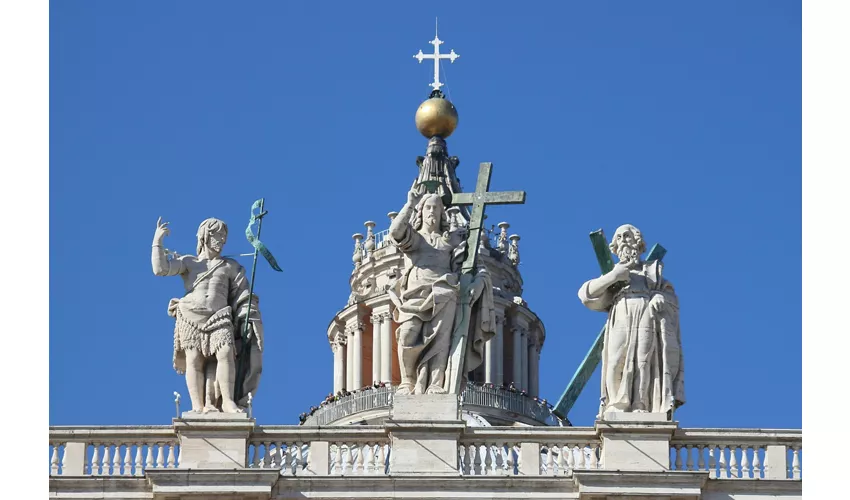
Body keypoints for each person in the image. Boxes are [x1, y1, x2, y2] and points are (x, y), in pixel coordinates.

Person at [388, 182, 495, 395]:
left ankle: (436, 382)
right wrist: (410, 203)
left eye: (436, 208)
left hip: (445, 293)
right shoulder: (415, 239)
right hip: (414, 295)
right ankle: (408, 381)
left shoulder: (450, 241)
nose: (432, 212)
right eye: (428, 207)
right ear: (420, 211)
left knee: (442, 342)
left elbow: (469, 267)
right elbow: (396, 231)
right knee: (407, 335)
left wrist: (476, 283)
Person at [152, 217, 263, 414]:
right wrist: (157, 241)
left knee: (226, 353)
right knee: (194, 360)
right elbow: (161, 269)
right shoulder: (189, 262)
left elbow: (244, 294)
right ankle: (197, 406)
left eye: (224, 236)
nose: (221, 240)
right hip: (190, 314)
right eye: (217, 235)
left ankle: (228, 402)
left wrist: (247, 313)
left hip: (220, 316)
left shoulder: (231, 267)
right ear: (205, 236)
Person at [578, 224, 685, 415]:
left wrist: (660, 297)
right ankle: (616, 404)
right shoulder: (613, 273)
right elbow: (586, 295)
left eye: (627, 236)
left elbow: (671, 297)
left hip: (646, 311)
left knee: (643, 358)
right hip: (621, 311)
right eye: (618, 238)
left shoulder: (652, 271)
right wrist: (613, 276)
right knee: (616, 358)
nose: (623, 241)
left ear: (637, 242)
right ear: (615, 247)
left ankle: (640, 404)